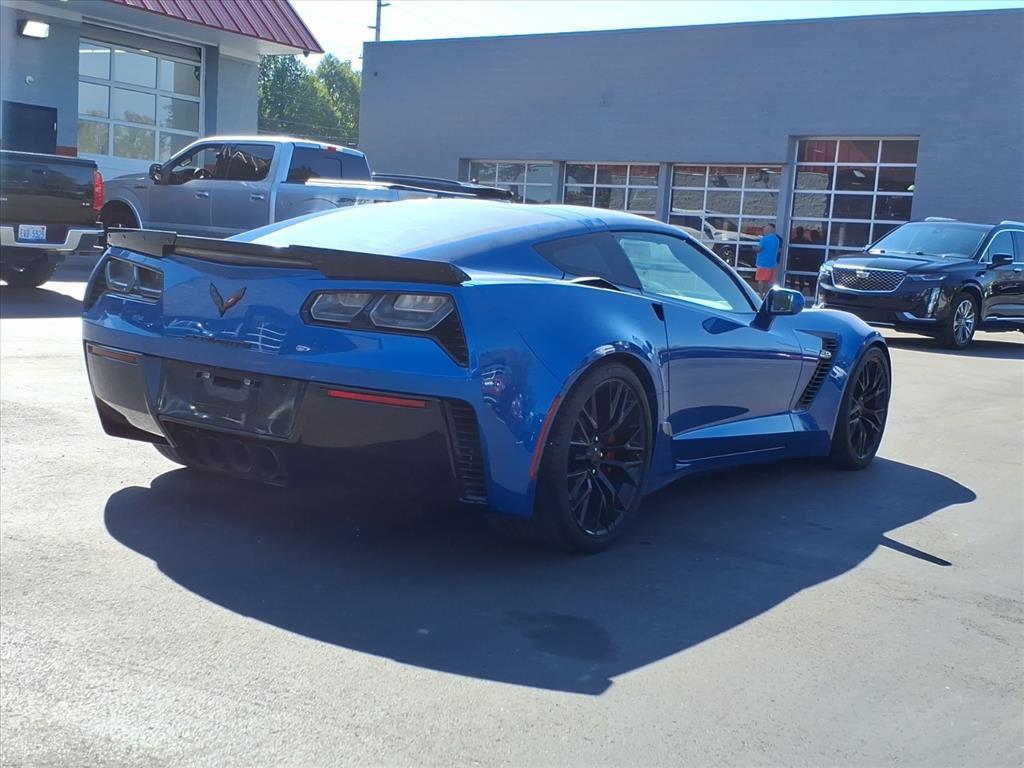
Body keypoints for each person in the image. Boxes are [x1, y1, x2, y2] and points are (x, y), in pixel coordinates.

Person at [755, 223, 782, 295]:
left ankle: (761, 294)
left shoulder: (764, 239)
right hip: (772, 264)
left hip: (762, 263)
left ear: (770, 230)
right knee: (768, 281)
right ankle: (766, 294)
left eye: (766, 229)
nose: (764, 231)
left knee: (761, 280)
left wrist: (754, 248)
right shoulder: (777, 240)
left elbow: (759, 249)